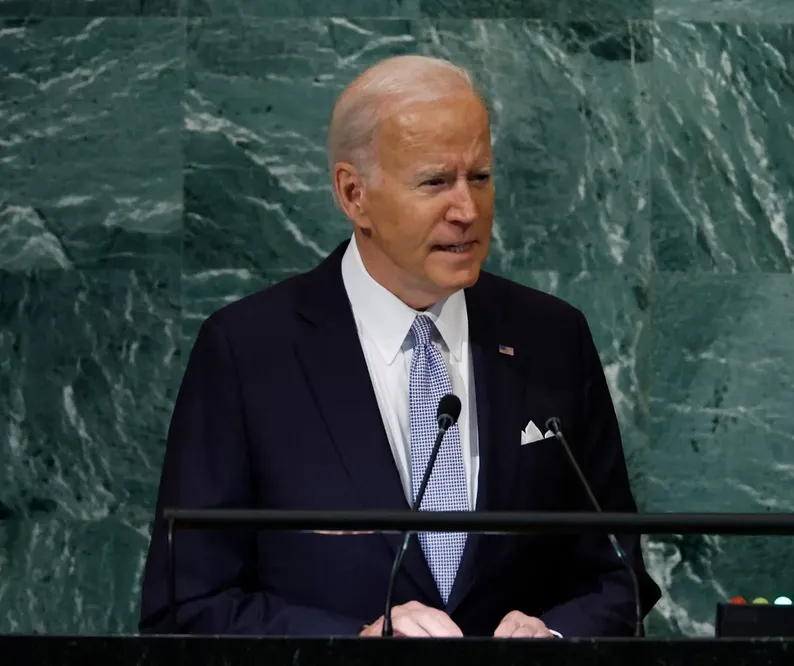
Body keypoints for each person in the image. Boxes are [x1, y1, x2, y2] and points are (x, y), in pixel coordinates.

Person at [139, 55, 661, 638]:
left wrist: (555, 636)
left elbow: (618, 573)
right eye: (435, 182)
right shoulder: (247, 352)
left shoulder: (550, 337)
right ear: (354, 193)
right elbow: (186, 605)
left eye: (480, 178)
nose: (466, 210)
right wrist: (355, 645)